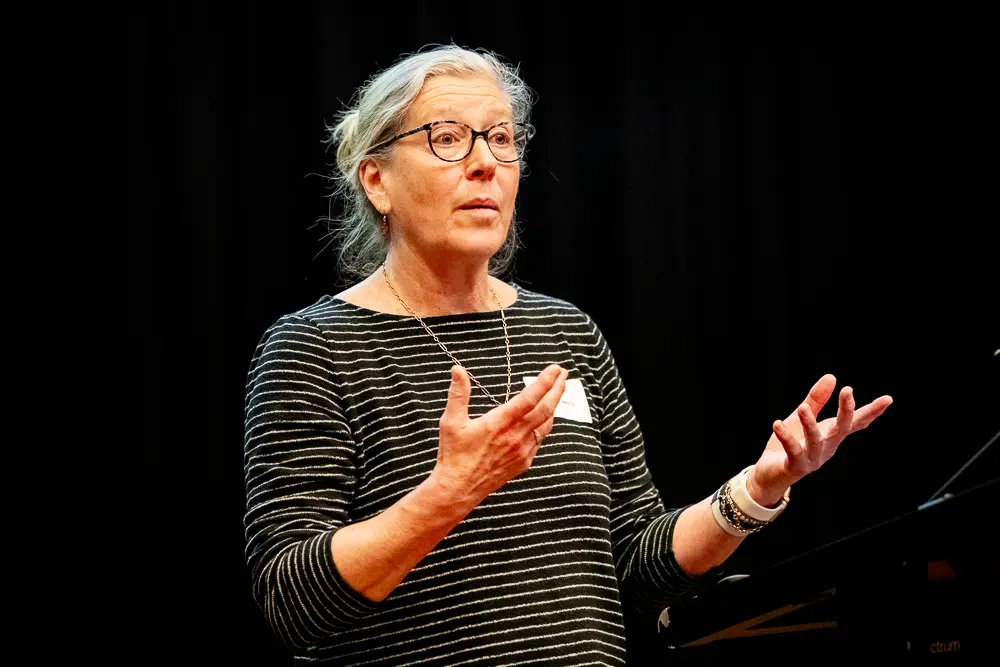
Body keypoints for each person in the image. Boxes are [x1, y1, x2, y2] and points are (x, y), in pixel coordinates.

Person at [243, 45, 892, 666]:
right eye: (447, 138)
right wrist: (450, 492)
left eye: (501, 138)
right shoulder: (313, 348)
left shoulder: (567, 332)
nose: (485, 162)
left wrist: (757, 487)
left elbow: (637, 563)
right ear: (377, 179)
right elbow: (292, 602)